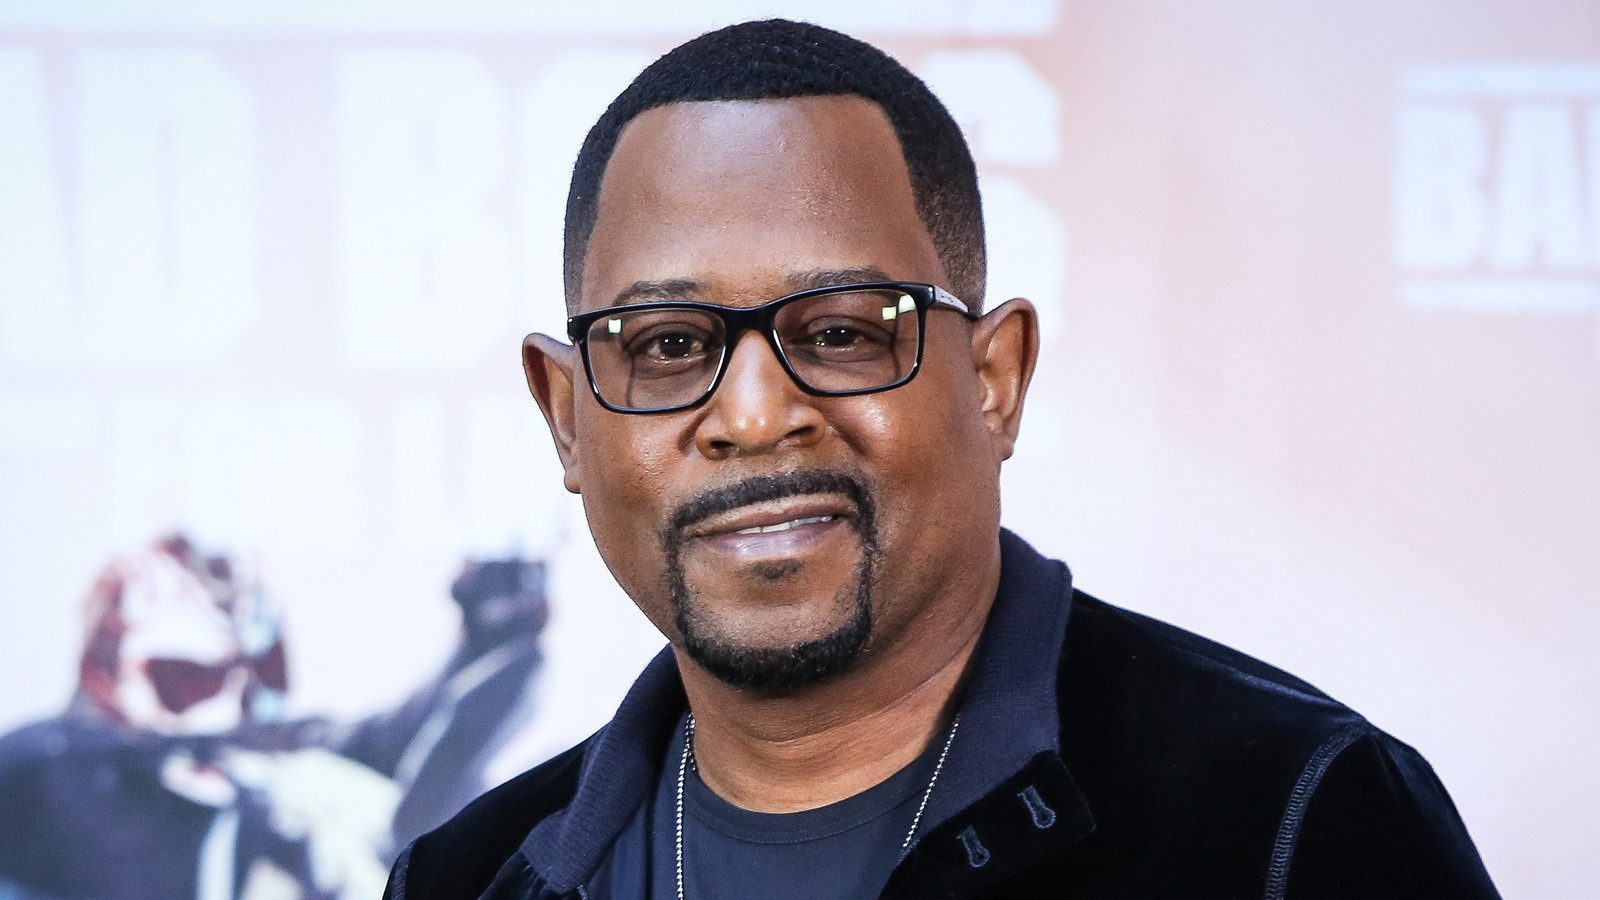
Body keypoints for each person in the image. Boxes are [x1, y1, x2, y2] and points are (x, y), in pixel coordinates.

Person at [385, 19, 1499, 899]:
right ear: (567, 419)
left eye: (841, 332)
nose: (755, 416)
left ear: (993, 379)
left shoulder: (1293, 820)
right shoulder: (466, 878)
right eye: (668, 346)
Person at [0, 535, 548, 900]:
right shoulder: (43, 768)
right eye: (191, 677)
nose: (229, 702)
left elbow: (388, 746)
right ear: (110, 668)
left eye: (258, 671)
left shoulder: (237, 753)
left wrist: (488, 642)